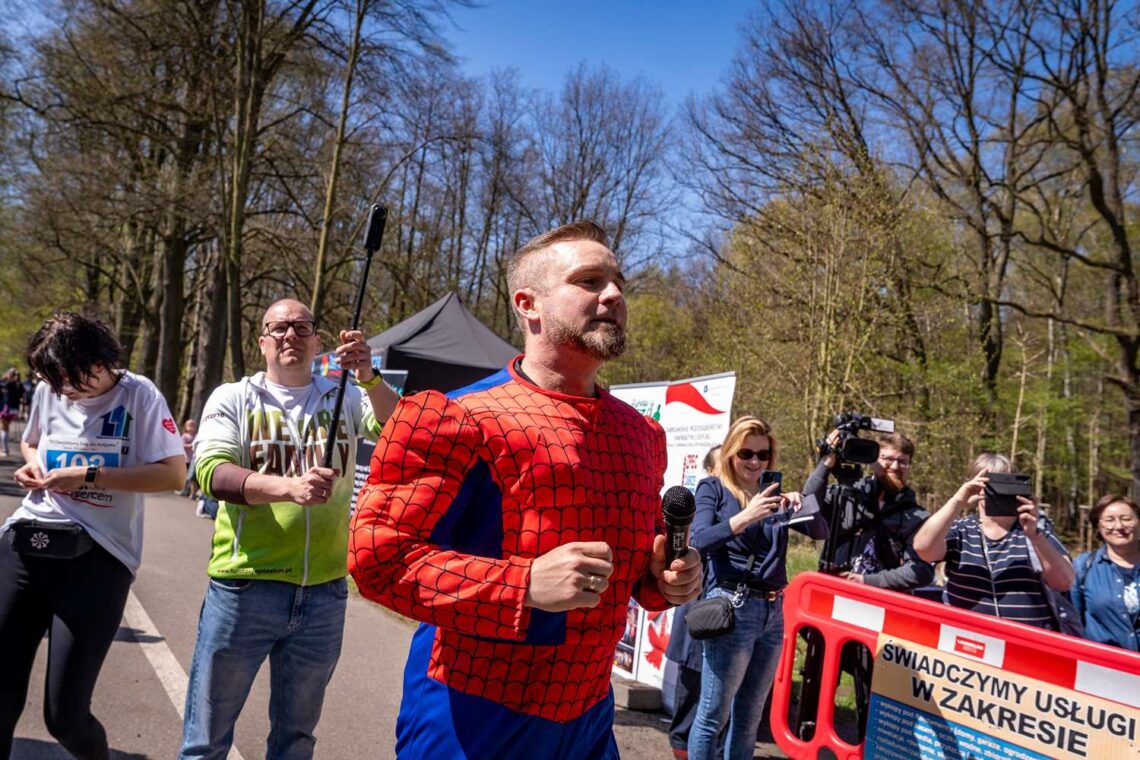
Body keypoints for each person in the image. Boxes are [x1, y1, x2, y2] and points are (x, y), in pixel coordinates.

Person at [348, 220, 703, 759]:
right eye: (588, 281)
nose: (613, 294)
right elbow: (377, 561)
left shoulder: (642, 434)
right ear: (528, 304)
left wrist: (666, 579)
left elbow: (638, 568)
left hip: (587, 716)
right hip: (470, 713)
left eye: (618, 283)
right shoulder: (450, 416)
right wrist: (523, 585)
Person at [178, 299, 399, 760]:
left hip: (323, 595)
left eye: (302, 327)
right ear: (262, 343)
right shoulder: (234, 398)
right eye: (278, 328)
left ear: (318, 342)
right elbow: (213, 474)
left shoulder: (344, 397)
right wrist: (289, 488)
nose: (290, 335)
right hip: (244, 589)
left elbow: (398, 429)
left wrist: (369, 377)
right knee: (206, 739)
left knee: (296, 740)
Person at [0, 313, 185, 759]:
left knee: (65, 716)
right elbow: (32, 441)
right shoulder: (50, 389)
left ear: (100, 359)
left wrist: (89, 476)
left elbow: (174, 474)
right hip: (25, 543)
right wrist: (34, 465)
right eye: (53, 379)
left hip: (98, 557)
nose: (63, 389)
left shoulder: (139, 395)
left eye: (71, 377)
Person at [686, 417, 827, 760]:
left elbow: (821, 532)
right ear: (731, 453)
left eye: (763, 456)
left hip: (772, 611)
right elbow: (698, 540)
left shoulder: (773, 496)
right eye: (746, 453)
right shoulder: (713, 488)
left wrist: (801, 502)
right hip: (733, 608)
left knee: (750, 716)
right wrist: (745, 517)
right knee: (713, 715)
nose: (754, 462)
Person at [912, 453, 1074, 629]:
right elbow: (923, 549)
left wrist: (1035, 536)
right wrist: (958, 500)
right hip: (964, 641)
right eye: (990, 484)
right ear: (975, 487)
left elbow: (1064, 582)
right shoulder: (962, 529)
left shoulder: (1035, 528)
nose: (998, 492)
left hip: (1026, 645)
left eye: (1006, 483)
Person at [667, 445, 721, 760]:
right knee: (691, 678)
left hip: (724, 610)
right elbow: (699, 538)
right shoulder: (706, 498)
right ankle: (681, 746)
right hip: (698, 604)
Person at [1070, 494, 1140, 650]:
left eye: (1126, 519)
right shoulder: (1083, 566)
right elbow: (1072, 619)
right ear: (1098, 526)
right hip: (1102, 667)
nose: (1119, 526)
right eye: (1109, 520)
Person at [0, 368, 23, 456]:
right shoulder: (19, 384)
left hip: (7, 408)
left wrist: (4, 378)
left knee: (3, 428)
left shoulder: (7, 384)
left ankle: (5, 450)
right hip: (14, 409)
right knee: (6, 428)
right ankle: (5, 449)